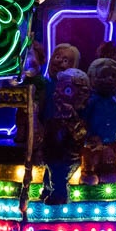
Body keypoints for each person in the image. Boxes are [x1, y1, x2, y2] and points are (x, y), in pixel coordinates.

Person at [41, 68, 90, 204]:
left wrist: (72, 118)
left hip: (67, 158)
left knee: (58, 176)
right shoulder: (54, 119)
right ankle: (47, 190)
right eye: (58, 90)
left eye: (67, 90)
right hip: (53, 155)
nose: (59, 95)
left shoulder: (77, 121)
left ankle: (59, 196)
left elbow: (80, 135)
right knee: (49, 173)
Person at [79, 58, 116, 185]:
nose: (109, 79)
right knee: (90, 159)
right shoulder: (91, 101)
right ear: (91, 77)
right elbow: (84, 119)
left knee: (110, 160)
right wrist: (87, 135)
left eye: (114, 76)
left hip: (112, 141)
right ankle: (88, 172)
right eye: (104, 75)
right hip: (93, 140)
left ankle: (110, 171)